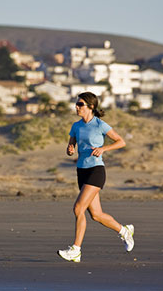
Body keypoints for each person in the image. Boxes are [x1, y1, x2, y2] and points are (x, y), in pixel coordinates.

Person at [57, 92, 134, 263]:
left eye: (80, 104)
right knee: (96, 215)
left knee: (78, 208)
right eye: (77, 104)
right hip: (81, 171)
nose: (77, 107)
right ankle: (124, 231)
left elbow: (121, 141)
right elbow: (71, 144)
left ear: (90, 107)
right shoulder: (76, 126)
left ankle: (76, 250)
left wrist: (103, 149)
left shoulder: (100, 125)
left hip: (96, 171)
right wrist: (70, 149)